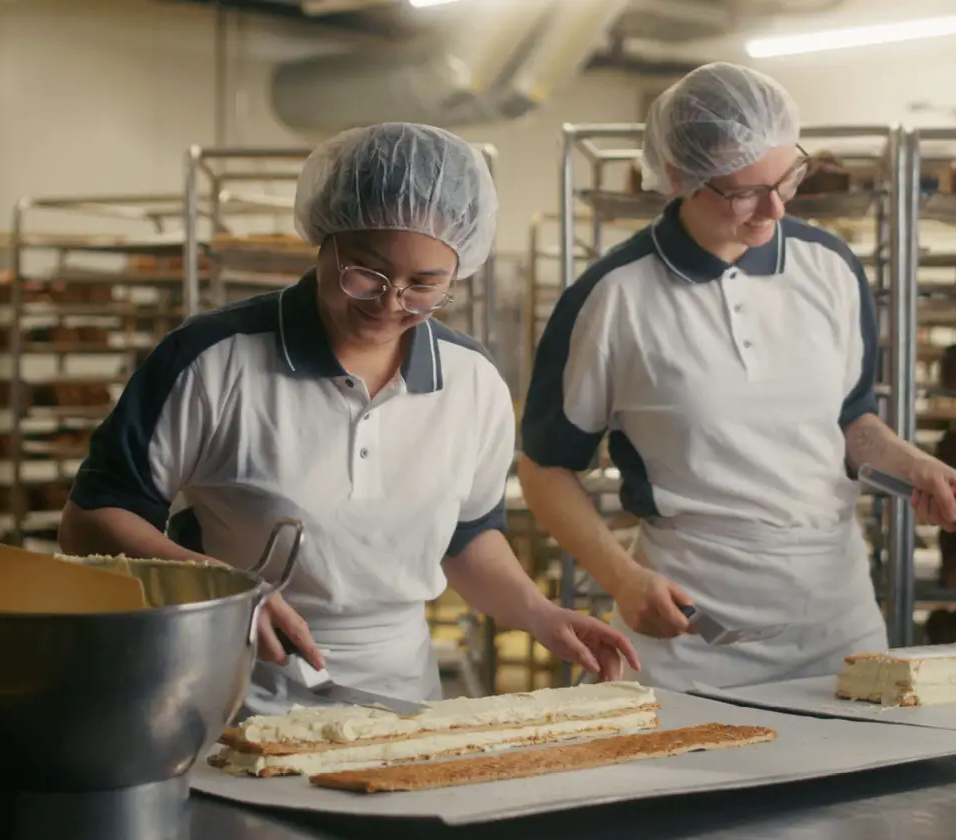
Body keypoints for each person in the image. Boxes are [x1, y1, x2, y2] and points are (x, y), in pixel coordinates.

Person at [59, 122, 638, 715]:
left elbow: (467, 538)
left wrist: (540, 615)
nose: (389, 304)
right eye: (367, 272)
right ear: (325, 237)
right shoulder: (213, 360)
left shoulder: (471, 381)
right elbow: (92, 520)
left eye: (424, 287)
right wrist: (223, 590)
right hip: (230, 691)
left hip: (401, 698)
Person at [517, 63, 956, 693]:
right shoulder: (613, 299)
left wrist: (908, 462)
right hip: (691, 634)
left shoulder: (831, 269)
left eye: (788, 177)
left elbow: (851, 418)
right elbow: (545, 468)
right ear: (679, 177)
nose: (775, 207)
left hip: (836, 621)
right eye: (743, 192)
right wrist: (621, 578)